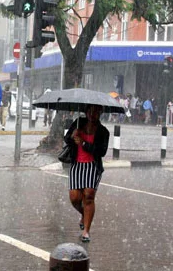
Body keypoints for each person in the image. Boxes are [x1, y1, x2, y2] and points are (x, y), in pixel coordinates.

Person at [64, 104, 110, 243]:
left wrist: (84, 144)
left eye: (96, 111)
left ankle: (86, 231)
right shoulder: (78, 123)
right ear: (86, 112)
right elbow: (67, 139)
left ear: (100, 112)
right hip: (77, 164)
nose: (92, 114)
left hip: (92, 166)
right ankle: (85, 214)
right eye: (90, 111)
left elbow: (101, 152)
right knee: (75, 198)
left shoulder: (103, 131)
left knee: (89, 196)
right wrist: (72, 137)